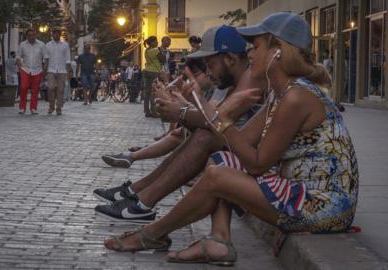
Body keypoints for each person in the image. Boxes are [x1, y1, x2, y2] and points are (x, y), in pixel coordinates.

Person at [103, 13, 359, 268]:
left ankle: (152, 234)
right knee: (221, 160)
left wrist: (217, 118)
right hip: (300, 193)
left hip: (324, 207)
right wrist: (206, 111)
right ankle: (218, 240)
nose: (249, 53)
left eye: (256, 46)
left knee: (220, 175)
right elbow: (239, 143)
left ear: (278, 51)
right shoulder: (281, 94)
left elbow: (257, 163)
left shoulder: (298, 97)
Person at [94, 25, 260, 223]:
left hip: (249, 157)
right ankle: (139, 197)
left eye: (211, 65)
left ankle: (143, 203)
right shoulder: (233, 80)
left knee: (203, 137)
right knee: (197, 135)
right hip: (237, 150)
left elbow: (216, 120)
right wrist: (182, 106)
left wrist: (180, 110)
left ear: (231, 59)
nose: (208, 73)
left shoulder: (251, 79)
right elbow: (212, 117)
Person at [16, 28, 47, 115]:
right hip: (25, 69)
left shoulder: (41, 45)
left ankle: (33, 108)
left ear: (35, 35)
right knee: (23, 87)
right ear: (27, 36)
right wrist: (19, 67)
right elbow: (18, 57)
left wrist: (44, 69)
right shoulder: (22, 45)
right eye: (29, 35)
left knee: (35, 90)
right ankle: (22, 107)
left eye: (33, 35)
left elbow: (45, 57)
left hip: (37, 70)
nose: (31, 37)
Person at [45, 28, 71, 115]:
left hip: (62, 70)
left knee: (60, 90)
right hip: (51, 69)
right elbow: (46, 58)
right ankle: (51, 106)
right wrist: (44, 70)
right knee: (50, 88)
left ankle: (58, 107)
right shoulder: (48, 45)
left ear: (60, 35)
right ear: (52, 34)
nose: (56, 35)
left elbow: (68, 59)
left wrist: (68, 71)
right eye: (54, 33)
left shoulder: (65, 45)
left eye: (57, 34)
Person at [143, 36, 163, 117]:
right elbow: (163, 59)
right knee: (153, 92)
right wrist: (160, 51)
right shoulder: (155, 50)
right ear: (151, 43)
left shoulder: (146, 50)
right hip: (154, 72)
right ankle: (154, 112)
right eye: (156, 42)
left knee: (147, 92)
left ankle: (147, 111)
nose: (157, 43)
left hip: (147, 71)